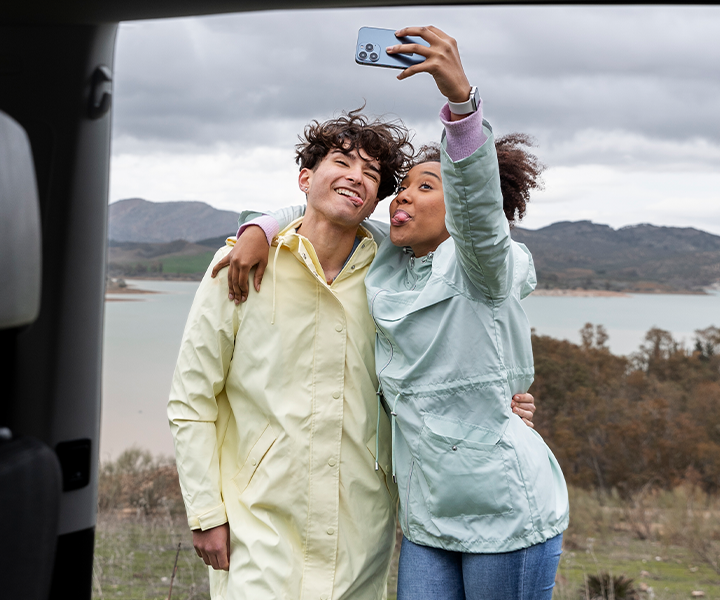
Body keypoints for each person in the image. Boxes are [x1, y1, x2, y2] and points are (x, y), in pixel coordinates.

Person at [217, 26, 569, 600]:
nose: (402, 195)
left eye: (426, 186)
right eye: (401, 188)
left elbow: (480, 211)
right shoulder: (385, 261)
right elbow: (329, 210)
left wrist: (459, 103)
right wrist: (261, 226)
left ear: (459, 204)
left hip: (506, 513)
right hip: (426, 517)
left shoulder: (481, 265)